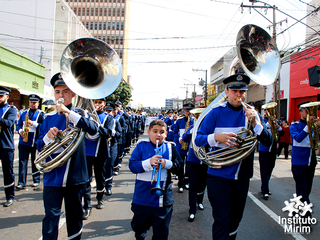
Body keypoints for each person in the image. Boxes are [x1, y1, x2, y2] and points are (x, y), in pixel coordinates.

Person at [195, 73, 272, 239]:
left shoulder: (252, 114)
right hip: (217, 176)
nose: (239, 95)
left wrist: (256, 125)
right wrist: (216, 137)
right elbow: (198, 139)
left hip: (241, 177)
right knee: (222, 220)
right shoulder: (215, 113)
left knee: (235, 221)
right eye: (235, 91)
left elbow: (268, 141)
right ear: (227, 91)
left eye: (243, 91)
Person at [37, 73, 98, 240]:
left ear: (73, 94)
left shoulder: (80, 114)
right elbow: (39, 146)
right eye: (57, 92)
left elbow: (94, 129)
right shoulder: (48, 117)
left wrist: (68, 113)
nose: (61, 96)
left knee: (75, 219)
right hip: (52, 177)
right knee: (50, 218)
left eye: (65, 91)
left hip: (75, 177)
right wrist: (48, 137)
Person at [129, 119, 182, 240]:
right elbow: (132, 166)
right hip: (142, 198)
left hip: (163, 200)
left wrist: (166, 163)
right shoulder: (141, 146)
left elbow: (179, 168)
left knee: (161, 233)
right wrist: (148, 162)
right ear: (149, 132)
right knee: (139, 228)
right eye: (155, 131)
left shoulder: (171, 147)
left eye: (162, 132)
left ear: (166, 134)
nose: (158, 134)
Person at [82, 98, 113, 220]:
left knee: (100, 178)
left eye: (100, 103)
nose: (98, 105)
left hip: (101, 152)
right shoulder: (86, 116)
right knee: (86, 179)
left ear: (104, 104)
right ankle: (87, 205)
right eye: (96, 102)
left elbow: (108, 133)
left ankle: (100, 199)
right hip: (86, 152)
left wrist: (96, 125)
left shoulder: (108, 118)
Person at [289, 101, 319, 217]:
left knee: (306, 190)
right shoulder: (295, 125)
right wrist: (308, 126)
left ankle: (299, 207)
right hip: (299, 163)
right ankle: (306, 215)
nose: (311, 113)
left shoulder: (315, 126)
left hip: (311, 162)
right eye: (308, 110)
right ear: (301, 112)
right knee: (303, 191)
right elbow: (298, 138)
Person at [182, 108, 207, 222]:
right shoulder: (192, 127)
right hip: (193, 159)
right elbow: (184, 139)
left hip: (205, 160)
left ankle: (200, 201)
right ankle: (192, 210)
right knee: (193, 185)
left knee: (202, 184)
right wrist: (191, 131)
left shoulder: (209, 129)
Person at [16, 94, 44, 190]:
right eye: (31, 102)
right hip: (24, 141)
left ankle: (36, 180)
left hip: (35, 141)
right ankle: (21, 182)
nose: (32, 104)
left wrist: (33, 124)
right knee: (22, 162)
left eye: (34, 102)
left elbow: (44, 126)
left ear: (38, 103)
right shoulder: (24, 113)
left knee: (34, 162)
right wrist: (20, 131)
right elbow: (18, 125)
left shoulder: (41, 114)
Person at [258, 108, 284, 200]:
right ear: (265, 112)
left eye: (272, 110)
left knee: (270, 169)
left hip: (273, 149)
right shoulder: (262, 120)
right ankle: (265, 190)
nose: (270, 112)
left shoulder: (276, 121)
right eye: (268, 110)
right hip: (264, 149)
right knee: (264, 170)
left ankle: (264, 186)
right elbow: (261, 131)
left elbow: (282, 133)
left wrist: (278, 127)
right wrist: (269, 123)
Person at [0, 86, 18, 207]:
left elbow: (9, 123)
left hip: (6, 146)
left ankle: (9, 196)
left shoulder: (11, 110)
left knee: (8, 172)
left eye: (1, 96)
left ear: (7, 96)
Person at [173, 103, 194, 193]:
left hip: (191, 147)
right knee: (180, 166)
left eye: (190, 111)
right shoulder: (179, 121)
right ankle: (180, 184)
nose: (188, 112)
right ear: (184, 111)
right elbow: (175, 133)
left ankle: (187, 182)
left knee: (189, 167)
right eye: (186, 111)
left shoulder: (195, 121)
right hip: (180, 146)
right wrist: (179, 139)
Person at [104, 102, 122, 196]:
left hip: (112, 146)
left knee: (110, 165)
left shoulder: (116, 121)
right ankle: (102, 185)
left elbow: (120, 134)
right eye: (106, 111)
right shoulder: (102, 120)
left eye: (110, 111)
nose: (108, 113)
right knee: (102, 167)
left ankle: (108, 186)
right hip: (102, 146)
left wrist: (113, 133)